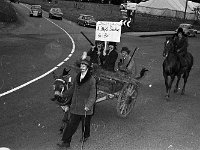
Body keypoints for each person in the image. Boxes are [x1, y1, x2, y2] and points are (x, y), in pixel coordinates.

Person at [57, 56, 97, 149]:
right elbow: (72, 89)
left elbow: (92, 95)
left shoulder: (92, 80)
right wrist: (63, 95)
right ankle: (66, 142)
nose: (82, 66)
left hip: (85, 107)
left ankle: (86, 135)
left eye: (84, 65)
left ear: (88, 68)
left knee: (85, 124)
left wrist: (88, 105)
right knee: (71, 125)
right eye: (81, 65)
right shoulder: (77, 76)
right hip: (75, 106)